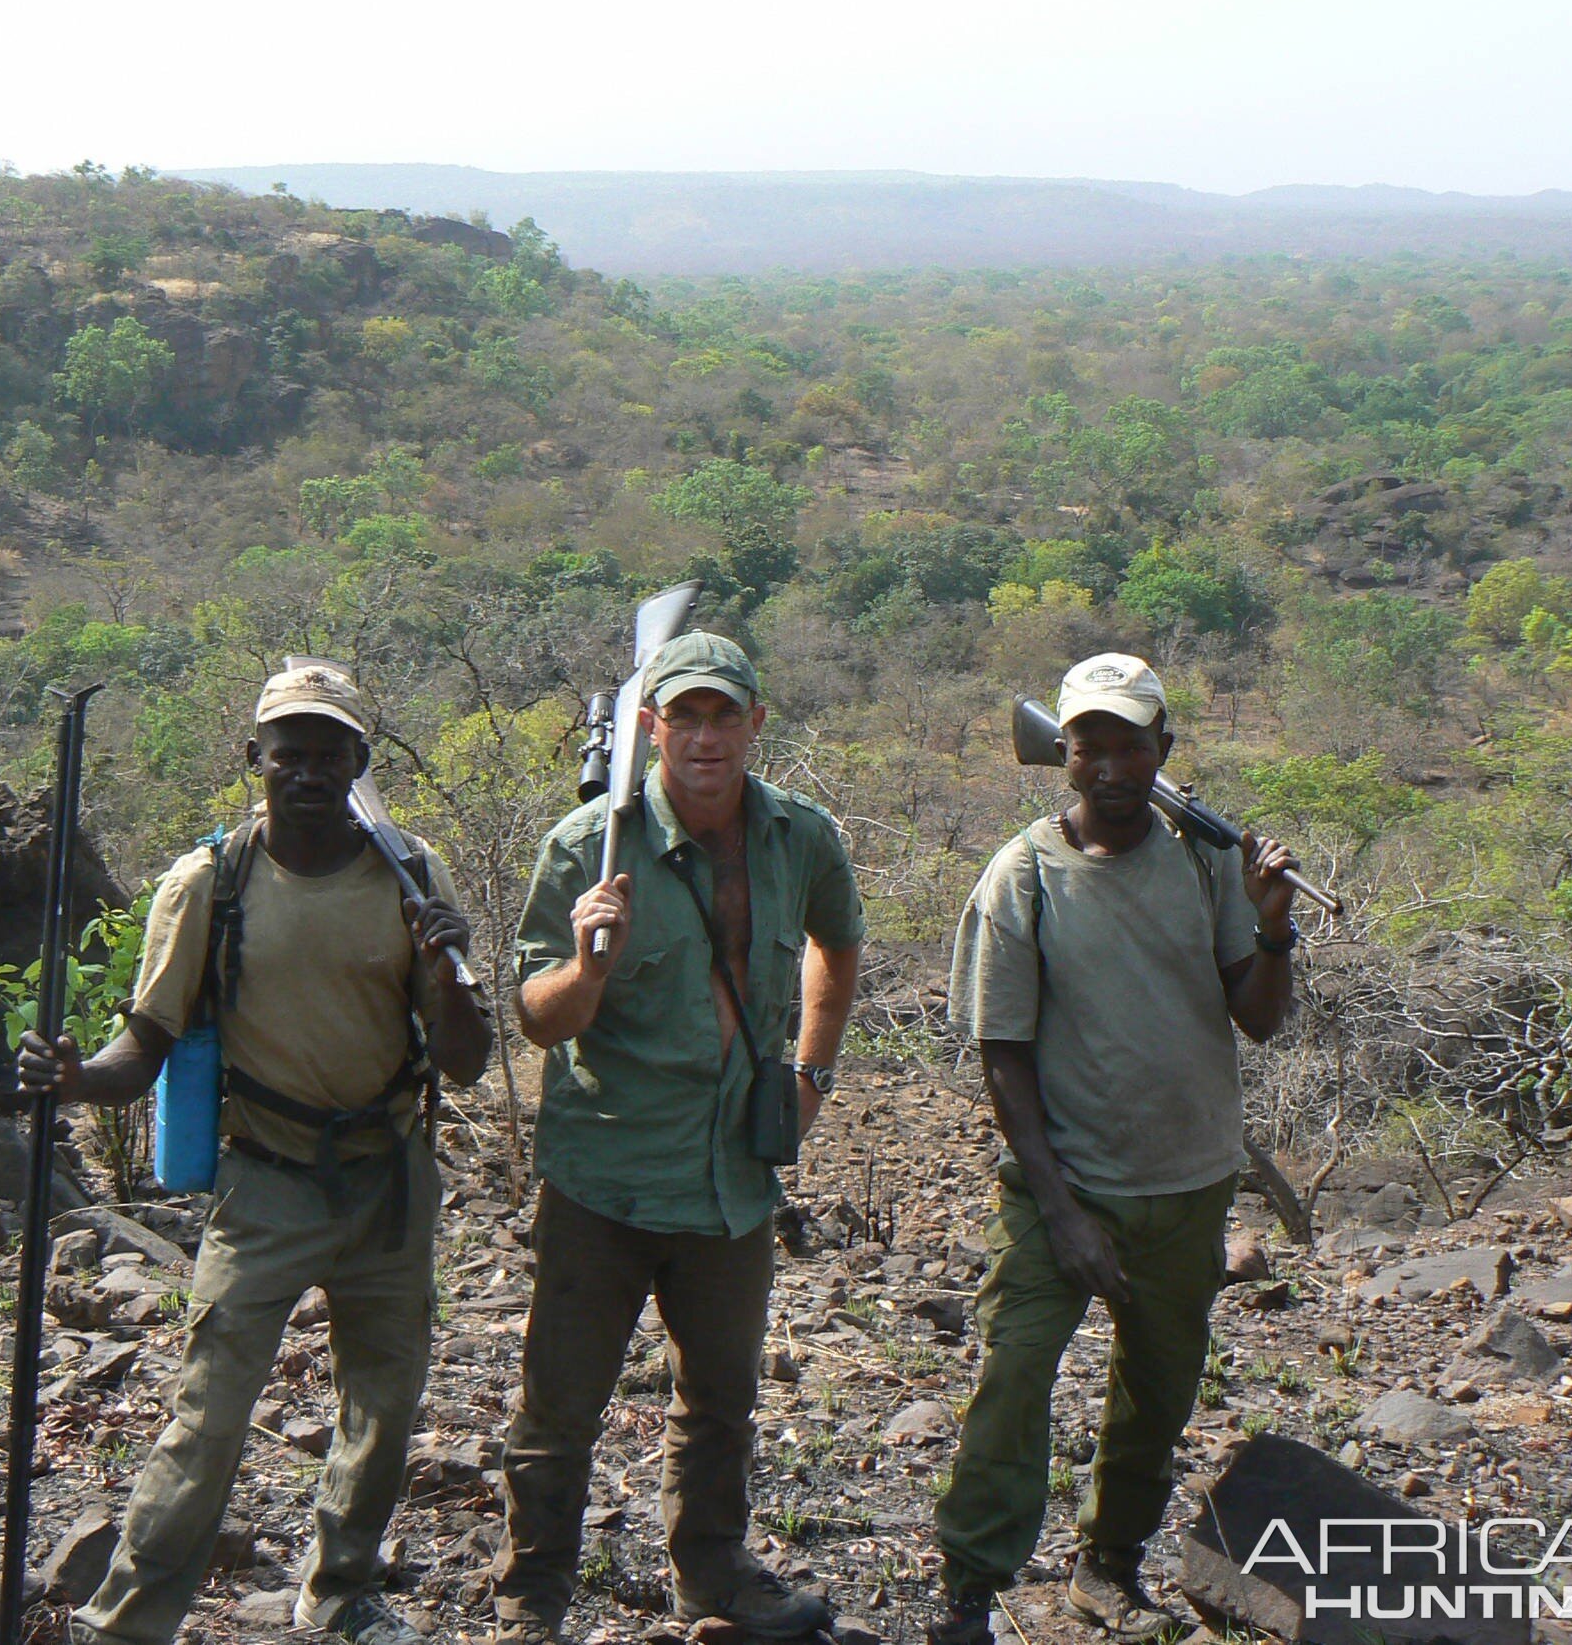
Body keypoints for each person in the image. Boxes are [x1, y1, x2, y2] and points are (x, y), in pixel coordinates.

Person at [15, 664, 491, 1645]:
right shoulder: (211, 882)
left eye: (330, 754)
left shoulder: (411, 871)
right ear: (256, 761)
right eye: (290, 754)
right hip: (265, 1180)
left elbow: (468, 1063)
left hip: (389, 1181)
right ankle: (127, 1623)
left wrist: (449, 971)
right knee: (209, 1416)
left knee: (384, 1407)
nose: (309, 773)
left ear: (358, 763)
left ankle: (343, 1591)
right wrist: (74, 1078)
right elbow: (141, 1044)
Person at [494, 632, 866, 1645]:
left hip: (730, 1179)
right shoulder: (590, 845)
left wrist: (812, 1075)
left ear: (755, 723)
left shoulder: (800, 838)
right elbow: (537, 1018)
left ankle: (711, 1578)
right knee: (557, 1411)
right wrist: (588, 968)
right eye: (683, 716)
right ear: (650, 726)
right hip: (605, 1176)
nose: (704, 737)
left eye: (723, 715)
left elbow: (839, 942)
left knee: (721, 1401)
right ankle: (531, 1600)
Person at [929, 653, 1300, 1645]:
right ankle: (969, 1593)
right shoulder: (1023, 874)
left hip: (1187, 1185)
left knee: (1158, 1393)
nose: (1107, 762)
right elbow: (1001, 1055)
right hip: (1061, 1187)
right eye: (1086, 741)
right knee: (1012, 1384)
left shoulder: (1206, 859)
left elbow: (1257, 1019)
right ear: (1061, 752)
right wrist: (1060, 1211)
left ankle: (1107, 1568)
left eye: (1128, 742)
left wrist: (1272, 933)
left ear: (1161, 751)